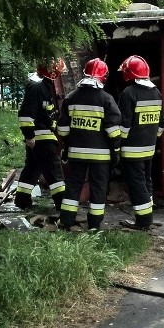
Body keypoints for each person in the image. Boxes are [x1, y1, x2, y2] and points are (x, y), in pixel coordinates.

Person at [55, 58, 121, 232]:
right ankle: (94, 225)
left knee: (73, 186)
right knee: (98, 187)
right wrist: (115, 150)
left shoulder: (71, 98)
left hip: (76, 154)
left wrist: (67, 145)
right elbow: (113, 131)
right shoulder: (106, 99)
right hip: (101, 157)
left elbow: (62, 129)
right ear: (103, 77)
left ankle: (66, 222)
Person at [117, 55, 164, 232]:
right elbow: (162, 123)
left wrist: (117, 143)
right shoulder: (156, 92)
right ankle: (147, 215)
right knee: (146, 181)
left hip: (131, 150)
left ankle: (143, 221)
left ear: (129, 73)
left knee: (136, 184)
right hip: (149, 149)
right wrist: (152, 138)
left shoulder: (129, 93)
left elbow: (125, 125)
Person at [14, 58, 67, 216]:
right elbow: (26, 113)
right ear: (52, 72)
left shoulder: (43, 83)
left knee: (32, 169)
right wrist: (29, 135)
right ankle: (63, 206)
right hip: (40, 138)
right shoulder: (37, 86)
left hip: (41, 136)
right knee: (55, 172)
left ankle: (22, 201)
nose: (59, 74)